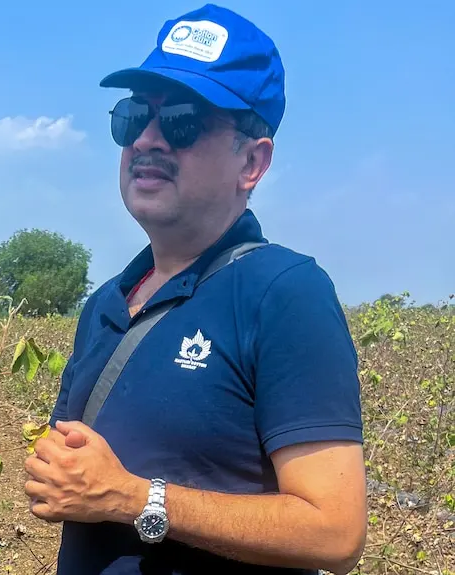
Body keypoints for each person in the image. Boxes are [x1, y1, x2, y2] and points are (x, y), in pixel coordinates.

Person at [23, 4, 367, 575]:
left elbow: (335, 532)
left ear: (251, 162)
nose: (149, 139)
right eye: (135, 117)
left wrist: (135, 499)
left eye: (183, 121)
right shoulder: (106, 304)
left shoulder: (284, 293)